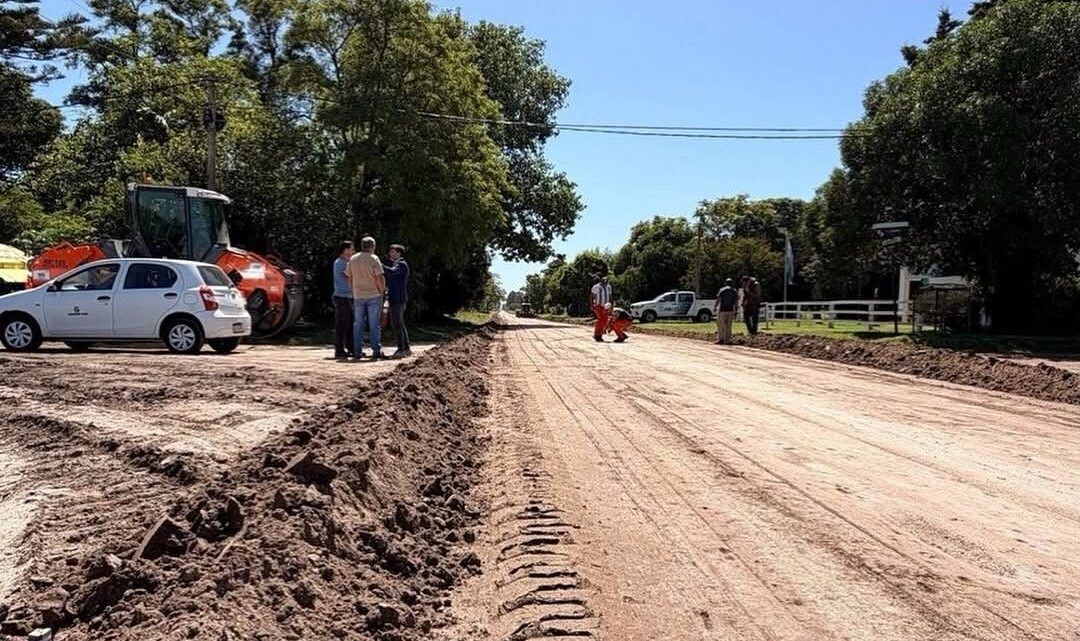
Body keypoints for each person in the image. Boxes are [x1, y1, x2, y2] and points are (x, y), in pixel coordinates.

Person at [347, 236, 386, 360]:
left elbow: (349, 277)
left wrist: (353, 290)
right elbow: (379, 277)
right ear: (372, 246)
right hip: (373, 295)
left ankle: (357, 351)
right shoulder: (373, 258)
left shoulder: (353, 259)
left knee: (358, 324)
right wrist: (382, 291)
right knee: (374, 324)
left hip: (358, 295)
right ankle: (376, 350)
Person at [383, 244, 411, 358]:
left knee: (397, 324)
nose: (390, 254)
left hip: (398, 299)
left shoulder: (401, 264)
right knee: (400, 323)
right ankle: (406, 348)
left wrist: (379, 265)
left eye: (393, 252)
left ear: (399, 253)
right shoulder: (398, 264)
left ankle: (401, 349)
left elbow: (391, 272)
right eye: (390, 252)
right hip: (396, 298)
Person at [331, 241, 355, 359]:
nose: (353, 251)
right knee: (342, 324)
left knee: (350, 324)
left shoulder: (345, 262)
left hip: (348, 296)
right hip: (342, 297)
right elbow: (349, 276)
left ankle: (350, 348)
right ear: (345, 250)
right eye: (351, 249)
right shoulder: (340, 263)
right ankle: (339, 350)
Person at [713, 278, 738, 344]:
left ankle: (721, 339)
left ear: (725, 283)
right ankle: (728, 340)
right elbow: (736, 302)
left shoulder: (722, 290)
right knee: (729, 326)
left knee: (721, 325)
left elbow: (718, 299)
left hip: (722, 310)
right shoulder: (734, 291)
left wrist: (715, 307)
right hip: (730, 310)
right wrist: (736, 310)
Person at [590, 275, 612, 342]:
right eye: (603, 282)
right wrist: (591, 305)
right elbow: (591, 296)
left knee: (605, 320)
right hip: (598, 305)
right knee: (600, 319)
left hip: (606, 306)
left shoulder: (609, 287)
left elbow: (610, 296)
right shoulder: (596, 287)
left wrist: (611, 305)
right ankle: (596, 334)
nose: (605, 284)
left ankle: (600, 335)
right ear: (601, 282)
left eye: (606, 283)